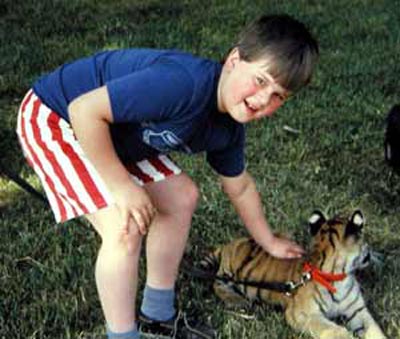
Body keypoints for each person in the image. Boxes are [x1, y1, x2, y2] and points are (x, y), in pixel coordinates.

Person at [16, 14, 318, 339]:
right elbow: (84, 110)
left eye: (278, 96)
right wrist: (121, 187)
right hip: (56, 117)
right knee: (125, 226)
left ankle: (157, 317)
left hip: (115, 133)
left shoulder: (229, 128)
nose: (263, 100)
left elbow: (240, 186)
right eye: (260, 81)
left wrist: (268, 240)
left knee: (181, 196)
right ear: (233, 60)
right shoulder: (181, 84)